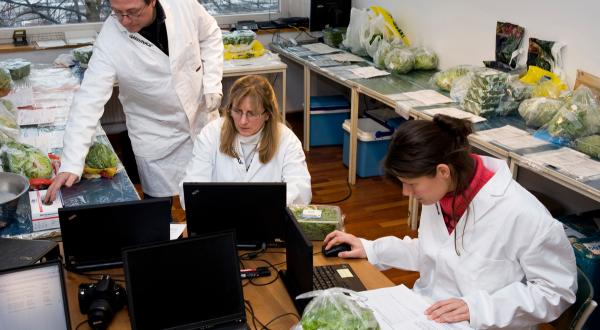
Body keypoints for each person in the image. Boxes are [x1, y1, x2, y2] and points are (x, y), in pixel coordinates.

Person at [324, 115, 577, 330]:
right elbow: (435, 251)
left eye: (411, 184)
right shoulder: (444, 192)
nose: (405, 193)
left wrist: (478, 307)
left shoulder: (524, 215)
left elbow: (556, 292)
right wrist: (370, 249)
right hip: (427, 313)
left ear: (443, 171)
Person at [44, 0, 223, 203]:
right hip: (156, 134)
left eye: (133, 12)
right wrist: (71, 162)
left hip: (201, 119)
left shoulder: (182, 5)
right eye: (117, 12)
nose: (125, 21)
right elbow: (88, 100)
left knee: (210, 200)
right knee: (160, 215)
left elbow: (211, 35)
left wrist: (212, 83)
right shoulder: (110, 38)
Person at [179, 75, 311, 207]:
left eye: (251, 113)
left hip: (267, 220)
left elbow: (301, 191)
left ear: (267, 114)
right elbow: (191, 190)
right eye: (237, 111)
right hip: (221, 220)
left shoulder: (287, 140)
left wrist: (264, 205)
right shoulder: (211, 134)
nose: (243, 121)